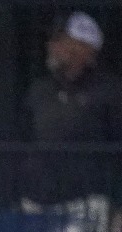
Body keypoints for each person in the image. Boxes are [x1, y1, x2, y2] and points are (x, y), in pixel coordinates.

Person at [22, 12, 122, 208]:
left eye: (61, 41)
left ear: (84, 47)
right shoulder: (39, 91)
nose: (52, 46)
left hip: (90, 205)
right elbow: (21, 143)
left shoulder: (111, 93)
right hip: (38, 203)